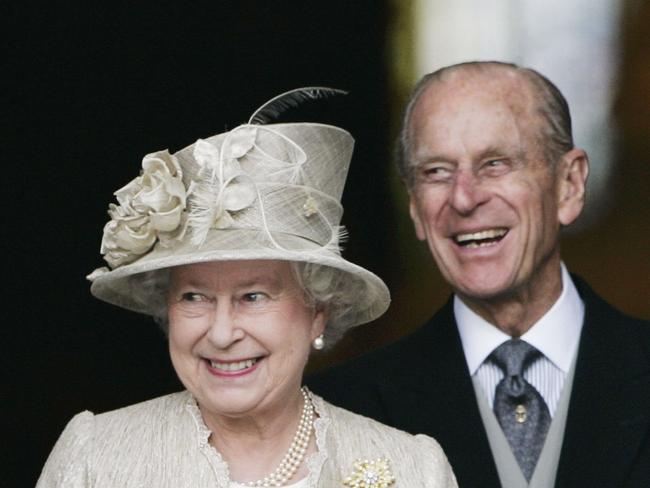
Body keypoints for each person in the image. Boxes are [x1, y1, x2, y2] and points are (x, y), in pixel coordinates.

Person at [36, 88, 458, 488]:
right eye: (194, 297)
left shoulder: (413, 469)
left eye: (253, 297)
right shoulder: (95, 456)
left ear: (318, 313)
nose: (221, 334)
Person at [309, 63, 650, 488]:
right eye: (436, 171)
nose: (464, 198)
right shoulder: (337, 411)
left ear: (569, 184)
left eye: (495, 163)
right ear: (415, 206)